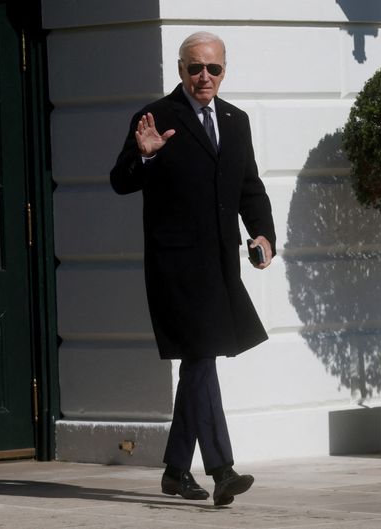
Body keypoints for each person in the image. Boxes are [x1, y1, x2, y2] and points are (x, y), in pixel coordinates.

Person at [110, 31, 276, 506]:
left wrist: (263, 234)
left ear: (225, 70)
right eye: (195, 68)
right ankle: (222, 468)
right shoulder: (155, 117)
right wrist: (145, 155)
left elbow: (250, 186)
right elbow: (120, 181)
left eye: (214, 69)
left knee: (200, 362)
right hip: (176, 265)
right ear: (180, 69)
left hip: (222, 263)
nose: (204, 77)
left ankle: (176, 470)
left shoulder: (235, 120)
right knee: (202, 356)